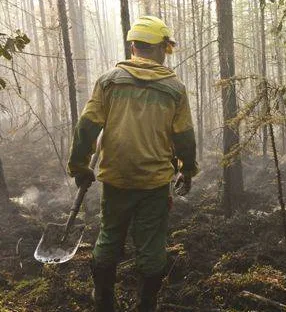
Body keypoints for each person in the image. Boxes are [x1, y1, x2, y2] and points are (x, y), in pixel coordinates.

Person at [67, 16, 198, 312]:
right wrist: (188, 169)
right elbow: (185, 138)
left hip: (116, 179)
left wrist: (79, 165)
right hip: (153, 182)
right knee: (151, 246)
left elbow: (87, 126)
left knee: (110, 235)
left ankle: (102, 301)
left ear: (134, 46)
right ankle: (146, 304)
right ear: (160, 47)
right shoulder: (174, 88)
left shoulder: (109, 81)